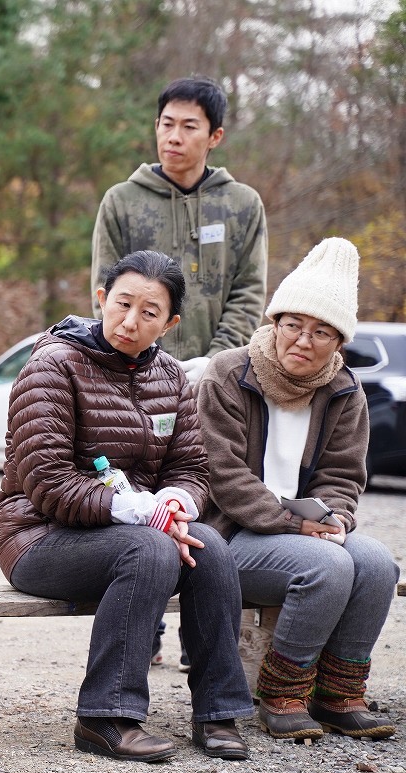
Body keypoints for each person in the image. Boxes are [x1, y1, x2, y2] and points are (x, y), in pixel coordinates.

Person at [0, 249, 254, 763]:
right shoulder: (53, 366)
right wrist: (138, 511)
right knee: (150, 550)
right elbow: (47, 483)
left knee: (211, 546)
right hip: (38, 537)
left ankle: (218, 711)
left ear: (170, 323)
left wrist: (175, 503)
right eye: (122, 303)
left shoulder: (171, 377)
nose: (130, 321)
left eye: (149, 312)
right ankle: (105, 717)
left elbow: (191, 467)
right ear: (101, 299)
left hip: (134, 533)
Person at [91, 75, 268, 671]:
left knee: (207, 490)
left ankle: (205, 635)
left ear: (214, 136)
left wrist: (215, 360)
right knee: (137, 482)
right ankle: (144, 628)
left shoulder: (242, 205)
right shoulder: (123, 200)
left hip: (221, 376)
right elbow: (108, 289)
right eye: (166, 123)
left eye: (189, 126)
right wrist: (146, 355)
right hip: (135, 373)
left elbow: (249, 291)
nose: (174, 136)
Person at [198, 237, 398, 741]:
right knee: (327, 567)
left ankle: (338, 694)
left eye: (321, 331)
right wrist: (291, 522)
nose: (303, 341)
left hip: (302, 530)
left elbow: (343, 475)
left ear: (339, 342)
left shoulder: (344, 390)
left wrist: (336, 518)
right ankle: (283, 692)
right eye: (293, 325)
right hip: (230, 534)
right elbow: (221, 473)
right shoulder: (229, 373)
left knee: (377, 563)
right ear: (275, 322)